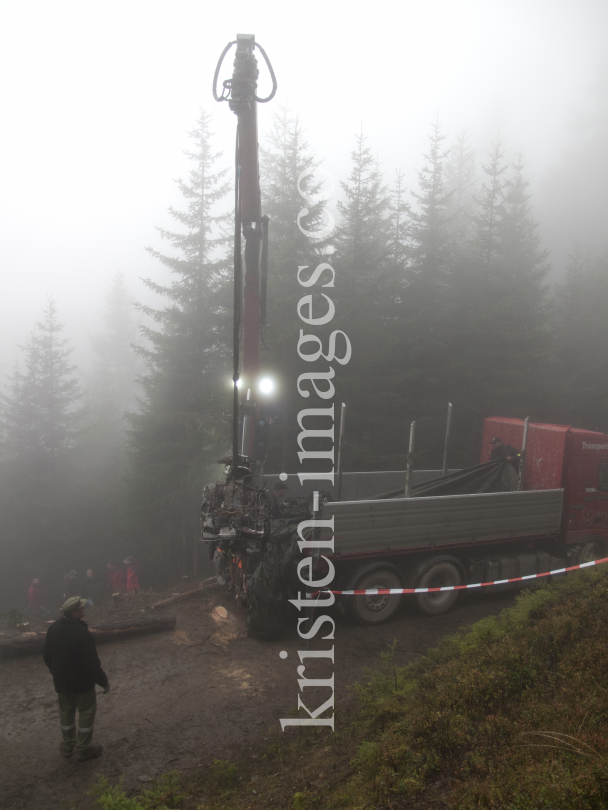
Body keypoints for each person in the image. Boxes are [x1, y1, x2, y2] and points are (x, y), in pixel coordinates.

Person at [43, 596, 109, 761]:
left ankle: (67, 746)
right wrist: (104, 682)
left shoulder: (54, 628)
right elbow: (92, 663)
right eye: (81, 608)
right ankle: (83, 748)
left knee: (66, 714)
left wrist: (54, 671)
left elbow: (46, 655)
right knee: (86, 713)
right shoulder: (82, 633)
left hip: (62, 685)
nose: (83, 609)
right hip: (82, 686)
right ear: (74, 613)